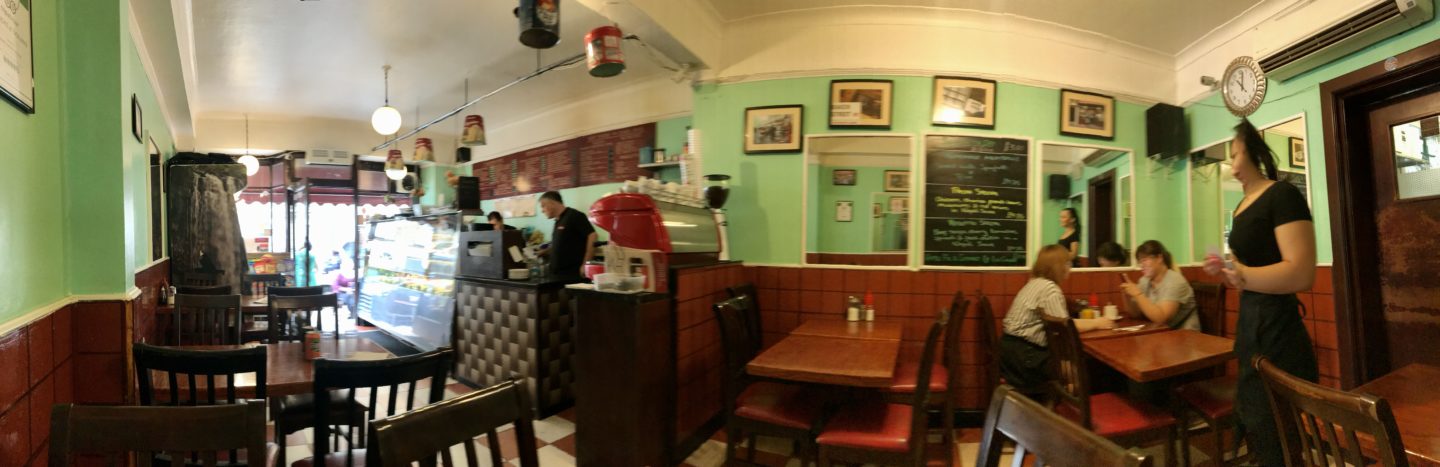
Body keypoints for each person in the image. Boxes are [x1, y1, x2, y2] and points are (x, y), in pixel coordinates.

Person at [1204, 119, 1318, 467]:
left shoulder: (1282, 195)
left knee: (1277, 436)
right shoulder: (1241, 207)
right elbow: (1247, 272)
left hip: (1278, 332)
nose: (1232, 164)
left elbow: (1302, 272)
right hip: (1251, 329)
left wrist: (1242, 275)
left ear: (1253, 153)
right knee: (1257, 427)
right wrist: (1226, 270)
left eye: (1235, 154)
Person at [1000, 244, 1116, 396]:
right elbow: (1064, 327)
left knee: (1078, 365)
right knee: (1092, 368)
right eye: (1067, 263)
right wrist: (1098, 322)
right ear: (1058, 267)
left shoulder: (1035, 283)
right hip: (1026, 359)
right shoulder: (1050, 289)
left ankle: (1066, 401)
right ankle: (1083, 404)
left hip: (1011, 354)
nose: (1070, 268)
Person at [1120, 240, 1199, 331]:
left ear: (1159, 258)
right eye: (1140, 262)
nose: (1142, 265)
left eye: (1145, 260)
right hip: (1161, 333)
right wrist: (1127, 295)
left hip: (1186, 334)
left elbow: (1162, 319)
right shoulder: (1144, 281)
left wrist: (1138, 294)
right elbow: (1135, 314)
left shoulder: (1175, 280)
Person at [538, 191, 597, 278]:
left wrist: (586, 264)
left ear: (552, 203)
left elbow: (592, 235)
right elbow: (563, 244)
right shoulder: (558, 221)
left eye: (543, 206)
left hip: (572, 274)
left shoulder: (575, 215)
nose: (542, 210)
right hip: (557, 274)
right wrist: (545, 251)